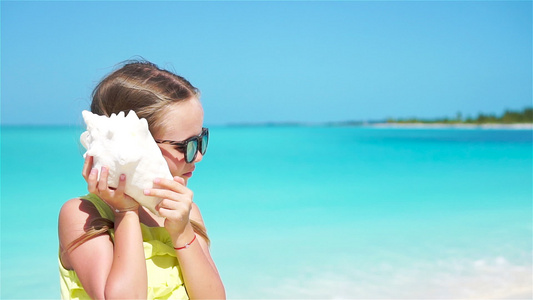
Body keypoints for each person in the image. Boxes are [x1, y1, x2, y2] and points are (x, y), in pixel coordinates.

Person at [58, 60, 226, 299]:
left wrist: (182, 232)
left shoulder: (185, 212)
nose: (198, 156)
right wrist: (125, 212)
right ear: (136, 146)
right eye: (187, 146)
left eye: (202, 140)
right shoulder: (82, 215)